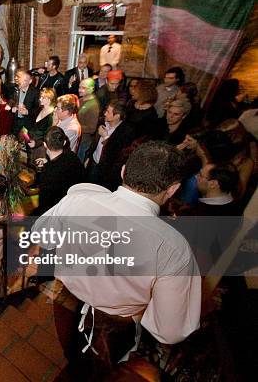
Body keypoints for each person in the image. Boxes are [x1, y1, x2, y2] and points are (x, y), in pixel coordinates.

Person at [33, 141, 201, 380]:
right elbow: (170, 330)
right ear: (173, 189)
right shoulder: (173, 248)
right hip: (113, 324)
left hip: (66, 301)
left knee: (74, 356)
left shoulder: (77, 202)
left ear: (123, 171)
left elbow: (42, 236)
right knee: (95, 373)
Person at [33, 126, 85, 215]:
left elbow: (44, 203)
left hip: (54, 212)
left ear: (45, 144)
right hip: (73, 207)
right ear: (64, 142)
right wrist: (47, 163)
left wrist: (40, 170)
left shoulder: (48, 172)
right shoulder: (73, 156)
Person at [85, 101, 135, 191]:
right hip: (93, 163)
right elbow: (95, 143)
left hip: (105, 172)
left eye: (108, 112)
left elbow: (115, 155)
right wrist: (89, 157)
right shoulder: (103, 122)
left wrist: (105, 137)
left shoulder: (125, 132)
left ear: (117, 116)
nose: (104, 113)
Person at [27, 88, 57, 164]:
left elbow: (49, 135)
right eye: (40, 97)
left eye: (43, 97)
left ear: (50, 99)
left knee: (38, 168)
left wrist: (37, 143)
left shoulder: (53, 115)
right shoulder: (40, 108)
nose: (40, 99)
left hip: (41, 148)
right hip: (31, 144)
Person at [10, 69, 41, 136]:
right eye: (21, 79)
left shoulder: (35, 92)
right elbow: (11, 101)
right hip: (16, 122)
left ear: (30, 81)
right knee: (13, 141)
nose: (21, 82)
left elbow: (38, 109)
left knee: (27, 142)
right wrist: (12, 108)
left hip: (27, 123)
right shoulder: (15, 89)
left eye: (24, 80)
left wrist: (27, 112)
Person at [77, 78, 100, 162]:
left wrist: (76, 127)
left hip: (83, 142)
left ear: (91, 89)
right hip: (77, 140)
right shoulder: (80, 100)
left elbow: (92, 129)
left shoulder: (93, 105)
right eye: (79, 87)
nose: (80, 90)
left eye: (83, 88)